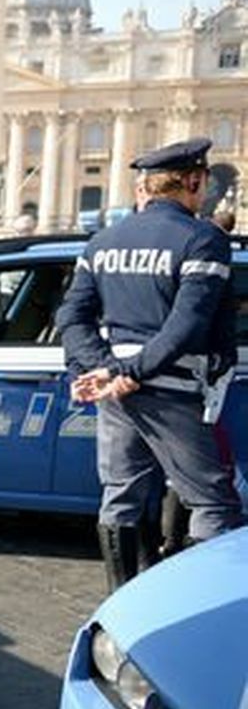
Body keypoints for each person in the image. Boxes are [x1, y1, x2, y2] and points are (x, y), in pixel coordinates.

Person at [56, 137, 243, 593]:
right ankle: (196, 606)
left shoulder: (102, 241)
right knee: (214, 502)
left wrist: (105, 369)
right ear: (195, 181)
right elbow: (186, 327)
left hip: (117, 392)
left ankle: (119, 602)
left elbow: (70, 317)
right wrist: (127, 373)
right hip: (171, 389)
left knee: (120, 496)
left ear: (146, 187)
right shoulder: (203, 239)